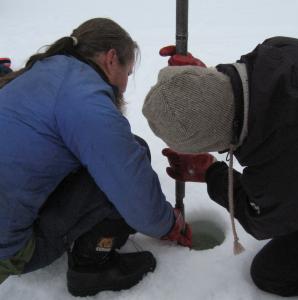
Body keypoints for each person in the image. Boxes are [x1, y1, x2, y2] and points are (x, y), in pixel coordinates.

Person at [142, 37, 298, 300]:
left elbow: (261, 218)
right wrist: (201, 85)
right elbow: (236, 98)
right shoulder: (279, 51)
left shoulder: (295, 165)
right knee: (270, 275)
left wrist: (211, 173)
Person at [0, 18, 192, 297]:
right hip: (10, 250)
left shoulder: (42, 71)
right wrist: (168, 224)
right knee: (126, 165)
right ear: (112, 58)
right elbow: (131, 187)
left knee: (113, 157)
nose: (125, 86)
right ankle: (91, 269)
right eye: (128, 72)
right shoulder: (84, 100)